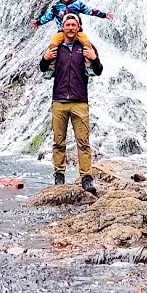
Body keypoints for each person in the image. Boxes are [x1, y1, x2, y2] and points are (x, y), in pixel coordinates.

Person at [39, 13, 103, 193]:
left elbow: (98, 71)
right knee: (58, 142)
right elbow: (43, 68)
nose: (71, 27)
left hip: (80, 101)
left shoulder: (86, 48)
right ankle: (59, 176)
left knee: (83, 142)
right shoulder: (55, 47)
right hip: (59, 101)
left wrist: (94, 58)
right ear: (63, 27)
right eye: (68, 24)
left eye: (74, 25)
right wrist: (44, 58)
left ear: (79, 28)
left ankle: (86, 178)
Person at [30, 0, 114, 54]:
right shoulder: (56, 6)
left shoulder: (77, 4)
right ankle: (52, 65)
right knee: (53, 44)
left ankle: (89, 65)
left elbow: (91, 11)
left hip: (76, 32)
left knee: (87, 43)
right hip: (62, 32)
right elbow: (48, 16)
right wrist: (38, 22)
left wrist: (104, 15)